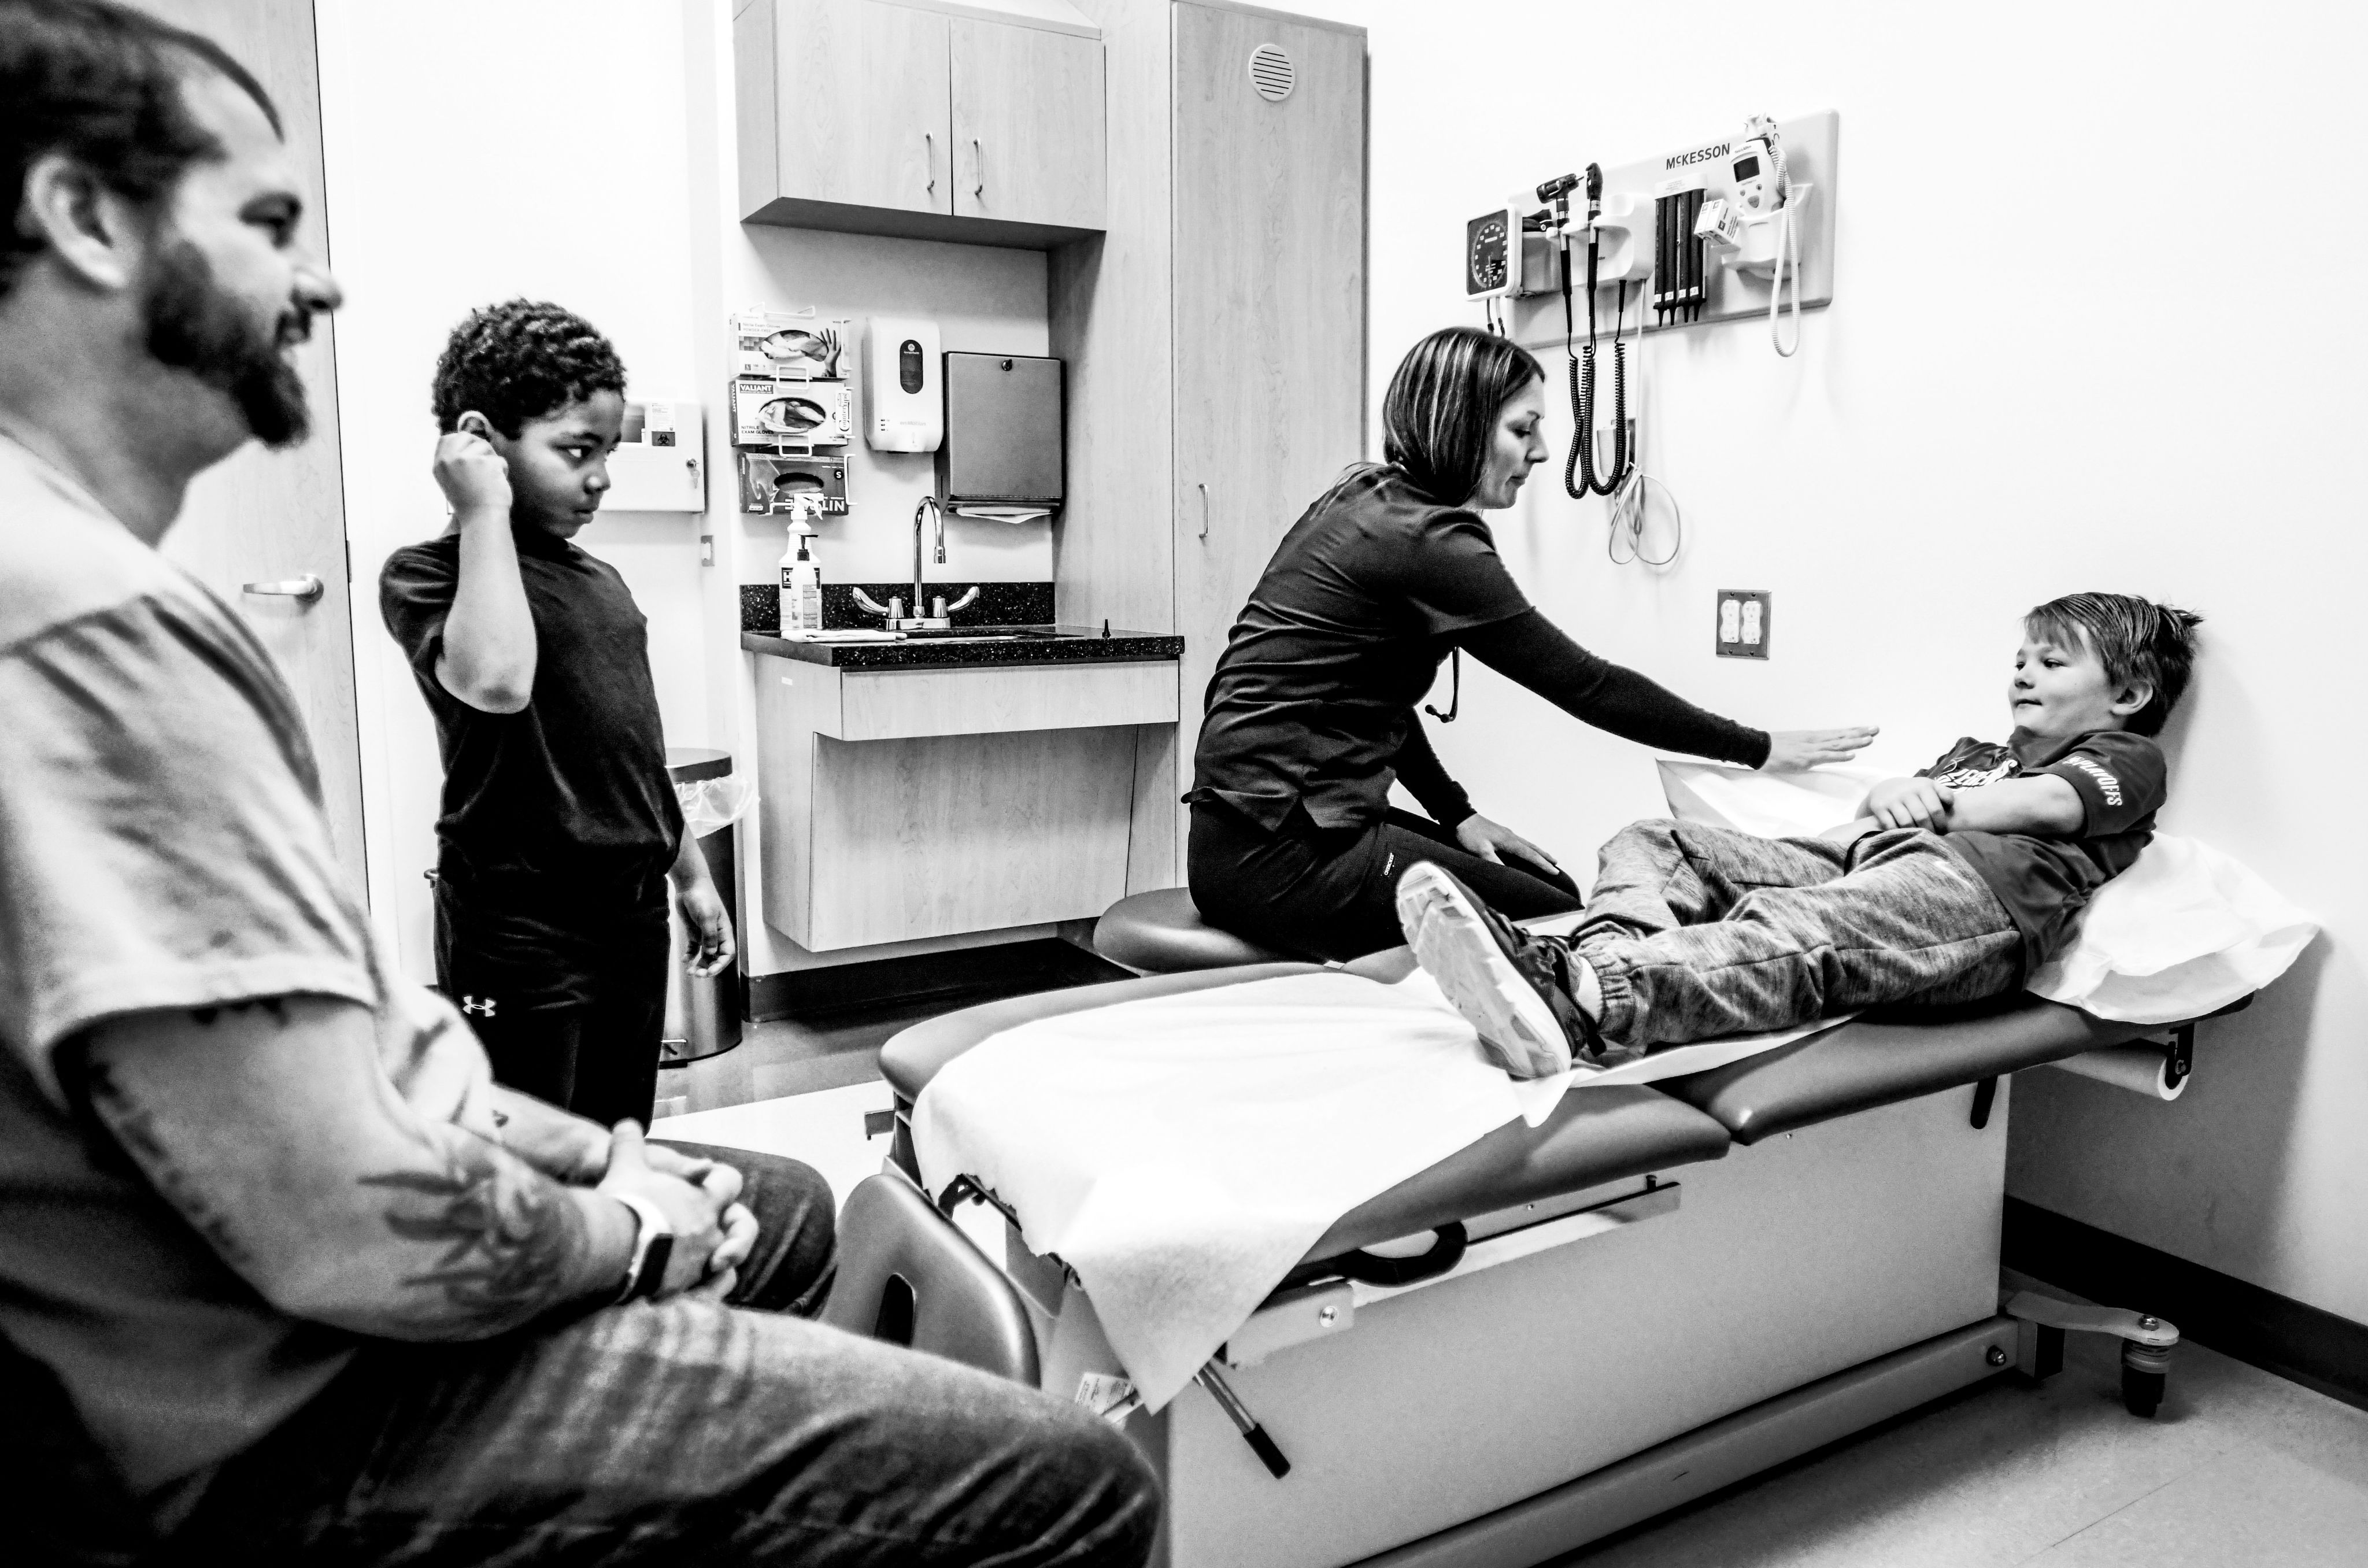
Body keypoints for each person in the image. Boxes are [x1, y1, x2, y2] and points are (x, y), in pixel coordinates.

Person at [0, 3, 1157, 1563]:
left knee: (770, 1194)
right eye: (271, 223)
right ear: (82, 218)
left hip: (571, 956)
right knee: (1064, 1481)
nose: (323, 275)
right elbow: (345, 1214)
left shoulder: (558, 585)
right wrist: (625, 1230)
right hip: (296, 1392)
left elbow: (386, 1056)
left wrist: (617, 1108)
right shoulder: (104, 623)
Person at [1186, 326, 1875, 962]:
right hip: (1284, 856)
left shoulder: (1365, 499)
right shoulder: (1428, 542)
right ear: (1463, 428)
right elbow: (1585, 686)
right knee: (1553, 918)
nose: (1542, 452)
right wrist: (1757, 747)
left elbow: (1369, 703)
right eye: (1523, 430)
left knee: (1528, 878)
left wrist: (1457, 815)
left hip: (1247, 839)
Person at [1398, 593, 2202, 1077]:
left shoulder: (2125, 758)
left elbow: (2055, 808)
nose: (2022, 673)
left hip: (1975, 904)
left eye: (2053, 664)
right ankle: (1589, 974)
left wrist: (1933, 807)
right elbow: (1890, 814)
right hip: (1860, 866)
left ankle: (1596, 994)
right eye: (2021, 658)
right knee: (1660, 840)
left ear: (2129, 693)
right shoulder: (1979, 757)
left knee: (1790, 933)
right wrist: (1893, 791)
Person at [380, 299, 722, 1130]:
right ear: (479, 442)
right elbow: (497, 679)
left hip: (631, 917)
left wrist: (691, 873)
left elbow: (632, 751)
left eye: (606, 451)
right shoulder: (428, 575)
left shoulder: (603, 584)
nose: (601, 476)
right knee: (531, 1148)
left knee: (616, 1135)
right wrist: (483, 512)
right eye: (575, 450)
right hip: (520, 928)